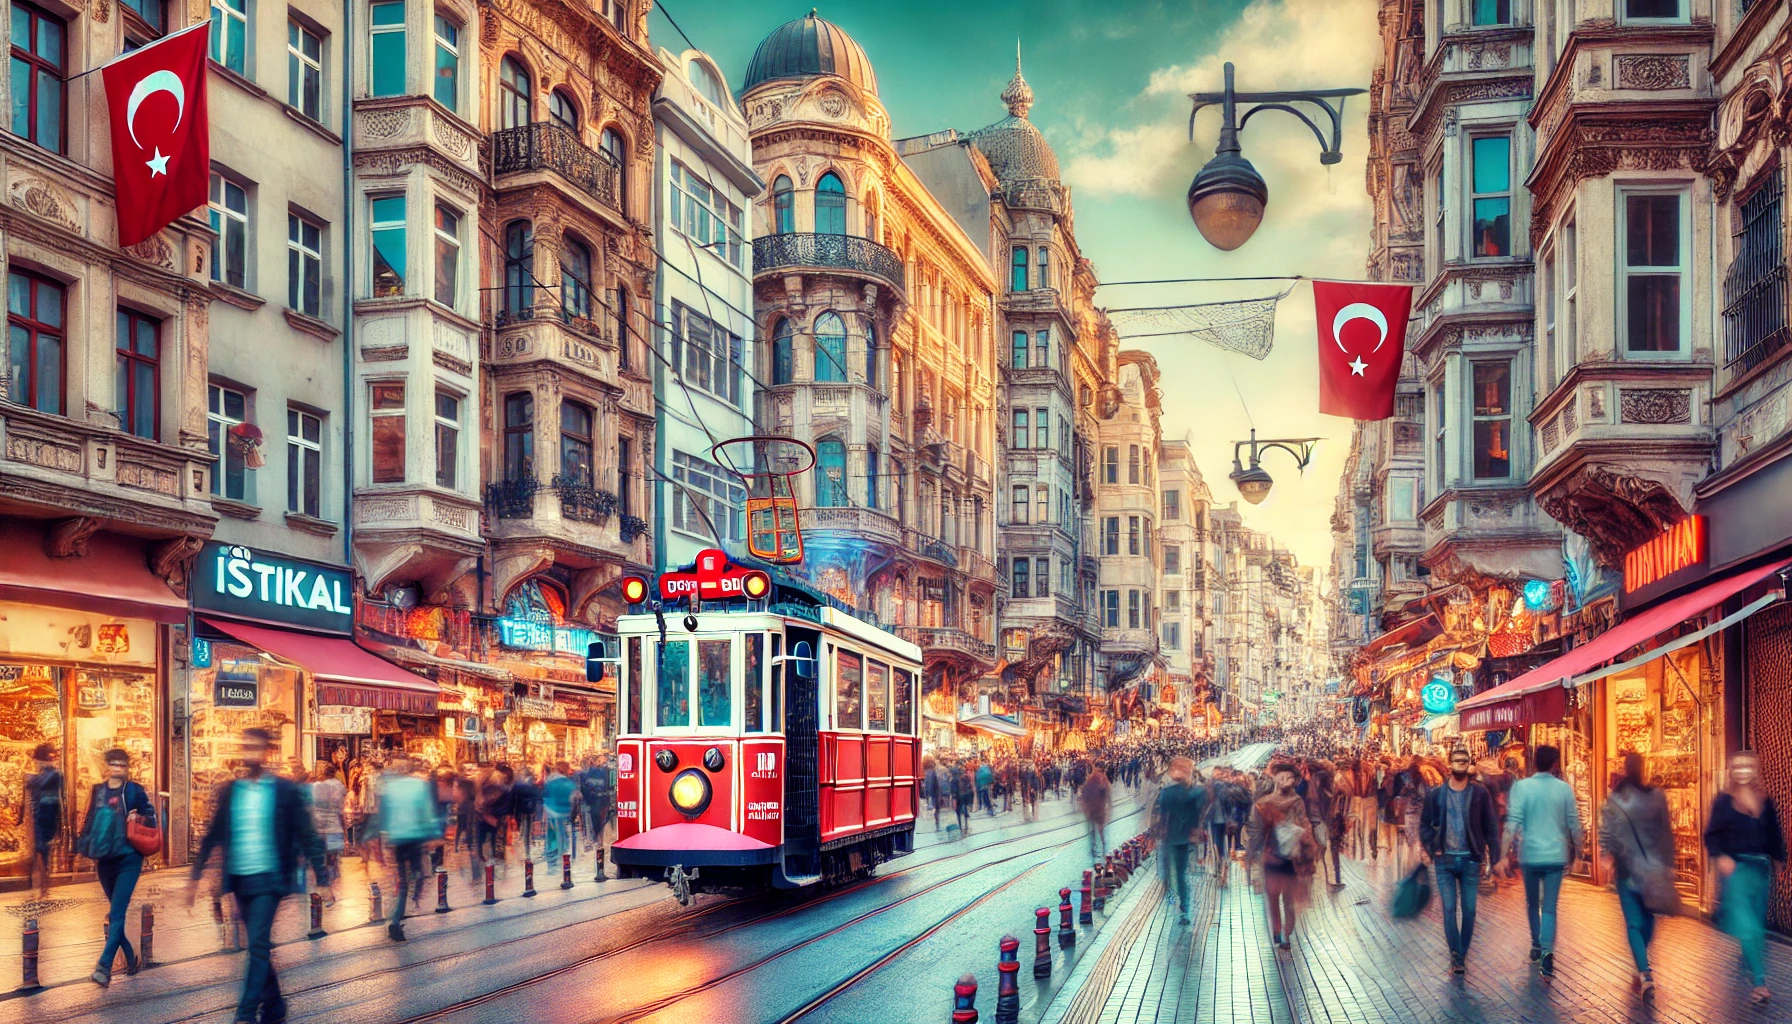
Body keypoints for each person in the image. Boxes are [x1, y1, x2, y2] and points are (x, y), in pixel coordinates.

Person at [187, 728, 333, 1024]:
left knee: (256, 945)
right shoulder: (231, 790)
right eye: (247, 746)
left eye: (257, 747)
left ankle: (245, 1013)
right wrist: (195, 876)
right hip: (239, 879)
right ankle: (275, 1006)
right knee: (259, 946)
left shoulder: (284, 790)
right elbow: (214, 833)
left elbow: (307, 834)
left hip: (270, 878)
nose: (250, 751)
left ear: (268, 752)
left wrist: (324, 877)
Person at [1705, 750, 1787, 1005]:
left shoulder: (1765, 801)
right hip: (1737, 870)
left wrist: (1780, 858)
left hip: (1761, 871)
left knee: (1756, 926)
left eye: (1747, 765)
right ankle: (1760, 982)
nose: (1742, 770)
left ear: (1755, 769)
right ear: (1731, 770)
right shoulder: (1723, 801)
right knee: (1748, 925)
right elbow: (1711, 835)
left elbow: (1774, 833)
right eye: (1737, 765)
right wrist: (1722, 857)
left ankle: (1748, 959)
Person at [1598, 751, 1677, 997]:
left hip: (1627, 869)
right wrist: (1669, 863)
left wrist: (1607, 854)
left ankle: (1643, 970)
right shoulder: (1657, 797)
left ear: (1624, 768)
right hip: (1652, 868)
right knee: (1648, 918)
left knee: (1633, 921)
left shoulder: (1616, 798)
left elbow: (1607, 830)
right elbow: (1666, 832)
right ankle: (1643, 967)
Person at [1499, 743, 1580, 979]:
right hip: (1556, 855)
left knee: (1533, 904)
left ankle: (1537, 945)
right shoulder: (1564, 789)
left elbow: (1511, 824)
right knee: (1550, 907)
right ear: (1555, 764)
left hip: (1531, 855)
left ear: (1534, 763)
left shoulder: (1522, 788)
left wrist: (1504, 854)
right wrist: (1580, 851)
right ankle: (1546, 950)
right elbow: (1573, 823)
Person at [78, 749, 156, 986]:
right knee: (115, 914)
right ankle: (131, 958)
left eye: (123, 765)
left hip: (129, 859)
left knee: (116, 913)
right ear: (108, 766)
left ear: (127, 767)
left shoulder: (134, 791)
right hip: (105, 861)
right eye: (115, 764)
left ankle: (104, 966)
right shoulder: (98, 791)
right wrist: (83, 848)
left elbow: (151, 818)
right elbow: (90, 821)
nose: (119, 768)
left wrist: (138, 818)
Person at [1418, 747, 1499, 974]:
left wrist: (1495, 857)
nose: (1460, 765)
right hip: (1445, 862)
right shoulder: (1437, 794)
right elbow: (1424, 824)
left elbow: (1491, 827)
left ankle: (1461, 953)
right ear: (1450, 764)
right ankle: (1456, 955)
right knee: (1449, 908)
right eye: (1457, 761)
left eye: (1464, 761)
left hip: (1471, 860)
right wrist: (1432, 847)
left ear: (1469, 764)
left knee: (1470, 910)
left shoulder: (1480, 794)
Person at [1246, 762, 1318, 951]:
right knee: (1272, 897)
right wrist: (1252, 852)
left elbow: (1305, 827)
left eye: (1290, 777)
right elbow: (1257, 830)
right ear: (1275, 778)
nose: (1285, 780)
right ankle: (1278, 931)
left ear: (1294, 781)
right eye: (1281, 776)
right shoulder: (1264, 803)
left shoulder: (1296, 802)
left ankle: (1286, 934)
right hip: (1272, 856)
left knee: (1288, 900)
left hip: (1291, 859)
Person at [377, 754, 441, 942]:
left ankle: (397, 915)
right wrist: (433, 832)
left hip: (397, 838)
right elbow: (427, 811)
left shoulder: (391, 788)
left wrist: (385, 836)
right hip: (414, 836)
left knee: (403, 880)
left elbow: (384, 814)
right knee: (419, 873)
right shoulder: (419, 786)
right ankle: (403, 911)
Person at [1156, 757, 1208, 924]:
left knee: (1175, 873)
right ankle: (1183, 908)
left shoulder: (1170, 793)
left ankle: (1179, 903)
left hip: (1176, 839)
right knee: (1178, 874)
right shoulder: (1190, 792)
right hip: (1179, 838)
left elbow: (1162, 815)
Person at [19, 742, 61, 899]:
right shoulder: (47, 774)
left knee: (42, 852)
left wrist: (31, 780)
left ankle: (43, 887)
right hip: (40, 818)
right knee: (40, 853)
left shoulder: (52, 774)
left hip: (45, 818)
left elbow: (48, 797)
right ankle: (40, 886)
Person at [309, 763, 348, 887]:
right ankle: (332, 879)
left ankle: (323, 880)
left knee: (321, 854)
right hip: (335, 825)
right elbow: (341, 809)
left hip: (318, 825)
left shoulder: (315, 787)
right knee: (333, 855)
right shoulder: (340, 786)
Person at [542, 762, 576, 861]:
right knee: (561, 833)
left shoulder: (550, 780)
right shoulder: (566, 782)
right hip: (561, 811)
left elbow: (545, 796)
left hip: (551, 811)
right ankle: (562, 855)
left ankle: (553, 855)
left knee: (553, 833)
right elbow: (574, 795)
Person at [1081, 766, 1112, 861]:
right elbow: (1107, 795)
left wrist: (1085, 805)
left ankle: (1094, 848)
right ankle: (1103, 848)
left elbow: (1083, 792)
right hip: (1099, 809)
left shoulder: (1089, 780)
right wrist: (1108, 805)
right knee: (1100, 830)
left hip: (1091, 809)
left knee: (1092, 830)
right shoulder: (1103, 780)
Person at [952, 761, 975, 836]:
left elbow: (954, 792)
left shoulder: (953, 780)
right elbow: (970, 787)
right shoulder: (965, 777)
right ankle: (966, 825)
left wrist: (954, 801)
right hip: (965, 795)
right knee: (964, 808)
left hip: (959, 797)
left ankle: (961, 827)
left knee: (958, 812)